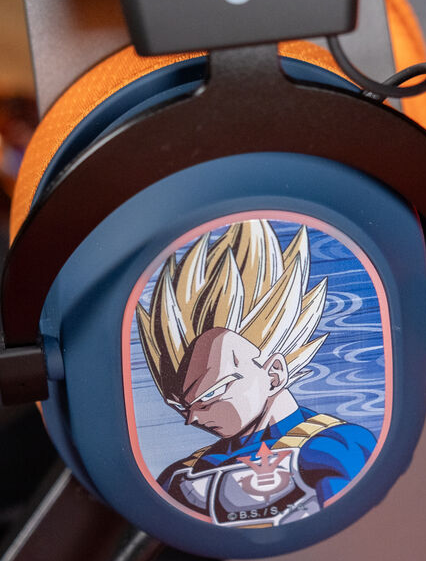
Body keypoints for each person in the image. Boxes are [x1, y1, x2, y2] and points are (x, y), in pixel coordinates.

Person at [136, 220, 377, 527]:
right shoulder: (181, 475)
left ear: (274, 375)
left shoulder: (335, 448)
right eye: (182, 406)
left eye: (209, 395)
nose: (192, 418)